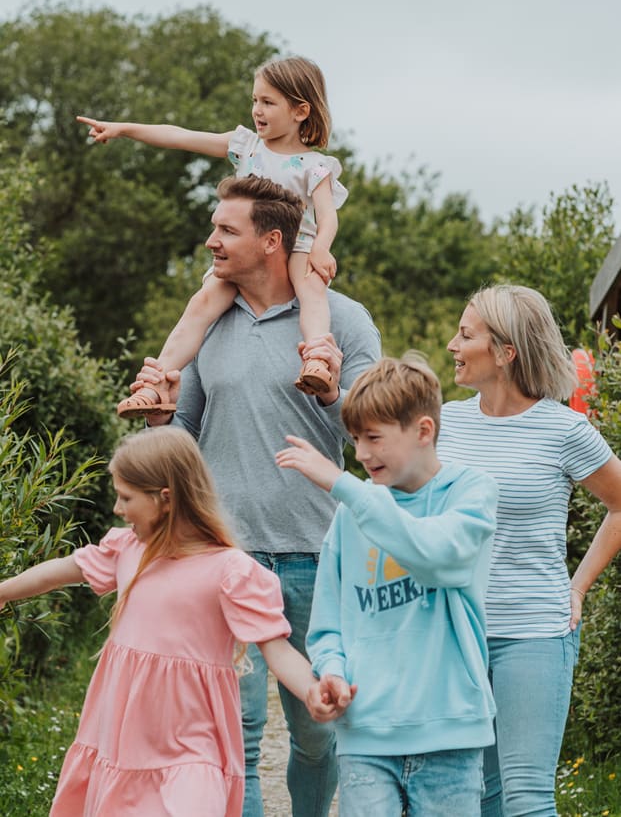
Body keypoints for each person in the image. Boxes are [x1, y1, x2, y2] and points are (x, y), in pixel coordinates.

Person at [132, 174, 381, 817]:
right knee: (230, 734)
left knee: (316, 732)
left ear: (273, 241)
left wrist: (329, 390)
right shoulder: (210, 322)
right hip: (224, 556)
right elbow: (184, 430)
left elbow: (377, 429)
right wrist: (159, 413)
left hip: (316, 554)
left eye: (226, 230)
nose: (210, 239)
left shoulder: (343, 320)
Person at [0, 427, 350, 816]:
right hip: (124, 739)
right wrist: (4, 591)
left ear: (165, 499)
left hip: (192, 745)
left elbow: (277, 649)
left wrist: (311, 690)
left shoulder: (231, 571)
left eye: (126, 497)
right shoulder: (128, 549)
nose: (117, 508)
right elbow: (65, 569)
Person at [276, 355, 499, 817]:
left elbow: (438, 558)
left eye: (374, 437)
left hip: (449, 732)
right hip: (365, 734)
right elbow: (328, 624)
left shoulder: (472, 492)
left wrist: (345, 487)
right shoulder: (349, 514)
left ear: (423, 431)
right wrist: (332, 673)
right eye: (355, 438)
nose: (360, 454)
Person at [437, 284, 621, 817]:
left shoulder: (563, 429)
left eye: (466, 334)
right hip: (455, 633)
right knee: (476, 796)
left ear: (505, 352)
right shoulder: (446, 421)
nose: (452, 344)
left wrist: (578, 585)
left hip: (534, 633)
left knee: (526, 799)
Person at [77, 55, 347, 408]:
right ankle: (156, 382)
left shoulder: (314, 166)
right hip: (242, 252)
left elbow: (328, 216)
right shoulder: (246, 146)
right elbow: (180, 136)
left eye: (267, 102)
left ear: (300, 111)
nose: (257, 110)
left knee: (311, 290)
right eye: (255, 100)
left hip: (295, 248)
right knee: (201, 303)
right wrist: (124, 129)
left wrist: (321, 249)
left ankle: (316, 360)